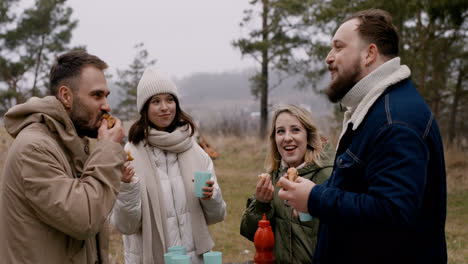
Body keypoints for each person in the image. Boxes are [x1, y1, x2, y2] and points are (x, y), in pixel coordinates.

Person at [277, 9, 447, 264]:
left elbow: (392, 212)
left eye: (338, 47)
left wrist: (316, 198)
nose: (328, 58)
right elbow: (361, 185)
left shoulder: (396, 121)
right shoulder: (376, 109)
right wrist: (313, 192)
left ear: (369, 54)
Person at [0, 50, 126, 263]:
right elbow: (86, 218)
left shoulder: (70, 145)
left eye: (106, 95)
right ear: (66, 96)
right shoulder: (33, 149)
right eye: (97, 95)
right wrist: (107, 149)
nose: (106, 106)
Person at [110, 67, 226, 264]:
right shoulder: (129, 155)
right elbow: (125, 226)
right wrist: (127, 187)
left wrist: (211, 196)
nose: (165, 107)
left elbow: (217, 215)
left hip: (194, 259)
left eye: (169, 100)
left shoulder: (195, 151)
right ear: (144, 108)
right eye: (156, 101)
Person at [240, 105, 335, 263]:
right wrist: (261, 205)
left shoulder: (328, 176)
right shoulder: (273, 176)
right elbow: (250, 233)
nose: (287, 138)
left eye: (295, 130)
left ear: (308, 135)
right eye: (280, 131)